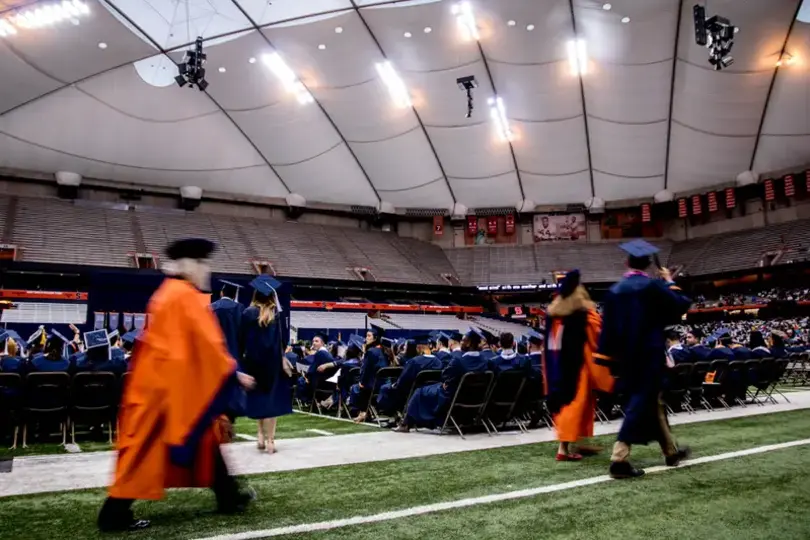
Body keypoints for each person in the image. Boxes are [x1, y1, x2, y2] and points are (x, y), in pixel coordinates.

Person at [97, 238, 256, 532]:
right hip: (166, 395)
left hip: (158, 387)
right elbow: (208, 346)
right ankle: (113, 514)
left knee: (204, 443)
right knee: (145, 456)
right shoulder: (183, 296)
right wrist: (233, 372)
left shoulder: (166, 294)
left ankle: (229, 496)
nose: (207, 269)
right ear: (191, 265)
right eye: (203, 263)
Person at [595, 239, 692, 479]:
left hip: (625, 357)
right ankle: (619, 458)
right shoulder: (652, 287)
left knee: (652, 402)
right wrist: (668, 280)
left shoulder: (615, 291)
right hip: (649, 354)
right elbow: (681, 305)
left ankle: (670, 452)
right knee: (641, 402)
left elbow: (607, 329)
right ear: (649, 264)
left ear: (626, 261)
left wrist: (606, 359)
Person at [544, 270, 613, 461]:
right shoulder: (580, 313)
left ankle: (579, 443)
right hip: (577, 366)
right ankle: (563, 449)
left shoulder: (555, 310)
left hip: (558, 365)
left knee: (579, 404)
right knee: (574, 403)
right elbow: (597, 332)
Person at [395, 329, 491, 432]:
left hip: (452, 396)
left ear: (469, 343)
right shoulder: (485, 361)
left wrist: (446, 382)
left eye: (463, 340)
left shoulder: (458, 361)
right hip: (477, 398)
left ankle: (406, 424)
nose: (461, 342)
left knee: (419, 391)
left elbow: (445, 376)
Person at [240, 276, 293, 454]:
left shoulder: (248, 313)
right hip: (273, 364)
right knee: (271, 401)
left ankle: (260, 436)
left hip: (253, 364)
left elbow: (242, 339)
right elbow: (283, 341)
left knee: (259, 399)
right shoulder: (277, 315)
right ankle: (271, 440)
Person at [377, 335, 443, 417]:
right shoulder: (438, 361)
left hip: (412, 392)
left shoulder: (414, 361)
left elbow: (403, 381)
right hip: (432, 392)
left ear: (419, 347)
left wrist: (395, 385)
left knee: (386, 388)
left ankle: (392, 413)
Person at [211, 280, 245, 361]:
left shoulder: (211, 307)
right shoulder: (239, 308)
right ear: (234, 296)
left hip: (215, 353)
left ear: (221, 293)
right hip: (234, 352)